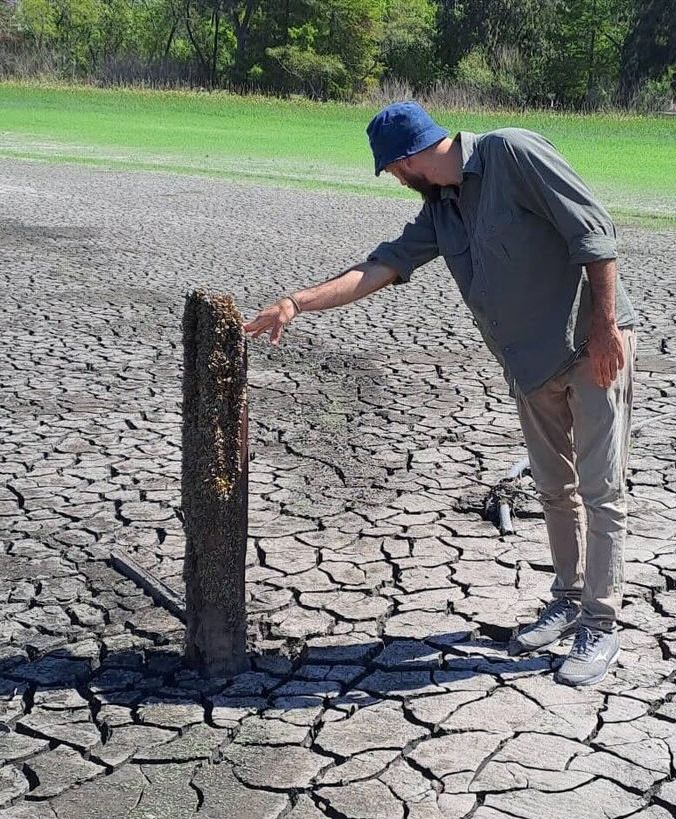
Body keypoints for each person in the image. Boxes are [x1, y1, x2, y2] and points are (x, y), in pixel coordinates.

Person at [244, 102, 637, 687]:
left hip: (589, 350)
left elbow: (594, 231)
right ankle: (567, 598)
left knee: (602, 491)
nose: (399, 183)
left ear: (408, 159)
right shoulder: (442, 212)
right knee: (556, 489)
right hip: (530, 367)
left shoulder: (512, 152)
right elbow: (379, 268)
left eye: (395, 171)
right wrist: (295, 303)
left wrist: (605, 330)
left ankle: (599, 627)